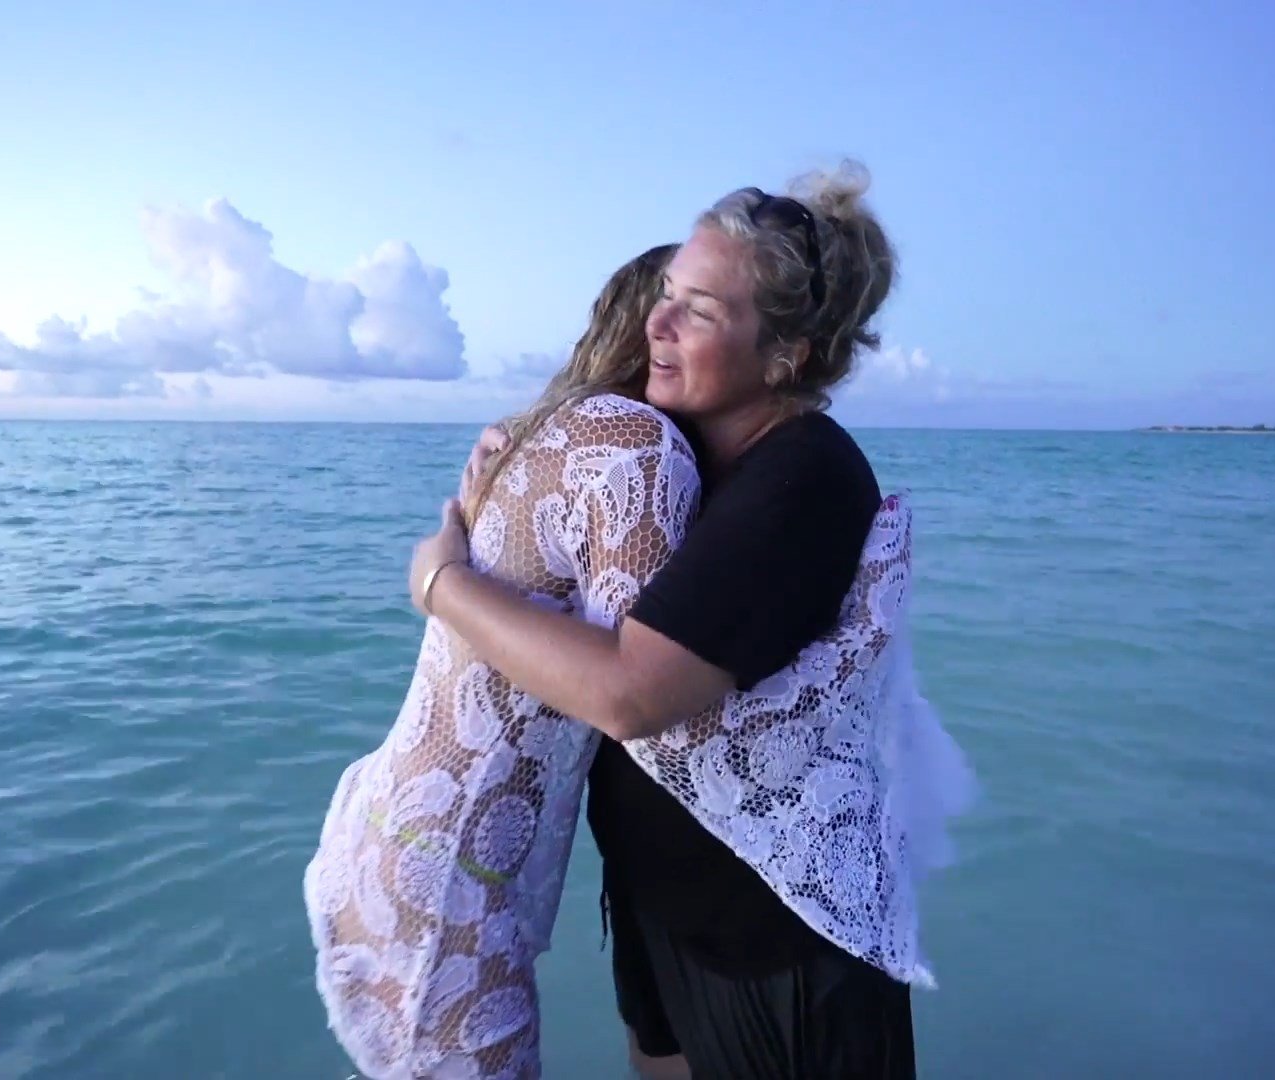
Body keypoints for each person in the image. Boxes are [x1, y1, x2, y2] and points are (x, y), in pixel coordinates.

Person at [413, 161, 973, 1079]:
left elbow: (632, 694)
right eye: (666, 294)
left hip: (777, 942)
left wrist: (443, 584)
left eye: (700, 312)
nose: (658, 323)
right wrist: (509, 475)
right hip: (664, 904)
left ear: (786, 355)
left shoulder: (800, 480)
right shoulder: (687, 455)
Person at [304, 244, 704, 1079]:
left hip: (393, 835)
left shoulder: (536, 435)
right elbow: (639, 692)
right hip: (446, 884)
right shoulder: (638, 446)